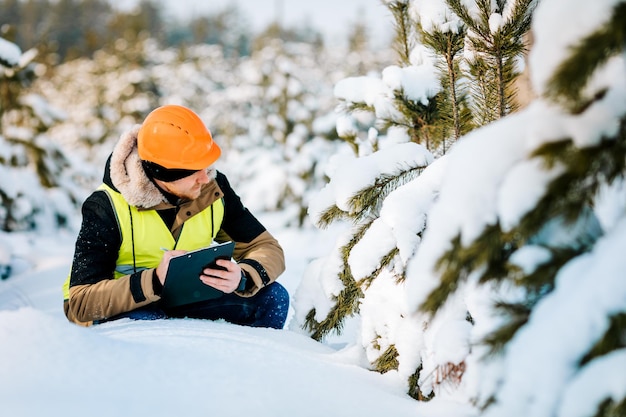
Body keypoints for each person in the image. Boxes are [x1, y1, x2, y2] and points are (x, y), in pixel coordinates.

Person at [62, 104, 289, 328]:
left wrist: (243, 276)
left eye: (206, 165)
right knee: (149, 324)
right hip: (127, 307)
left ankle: (250, 362)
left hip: (186, 297)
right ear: (163, 173)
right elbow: (80, 303)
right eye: (194, 170)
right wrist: (154, 280)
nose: (205, 178)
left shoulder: (213, 189)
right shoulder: (105, 206)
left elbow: (267, 247)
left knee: (273, 298)